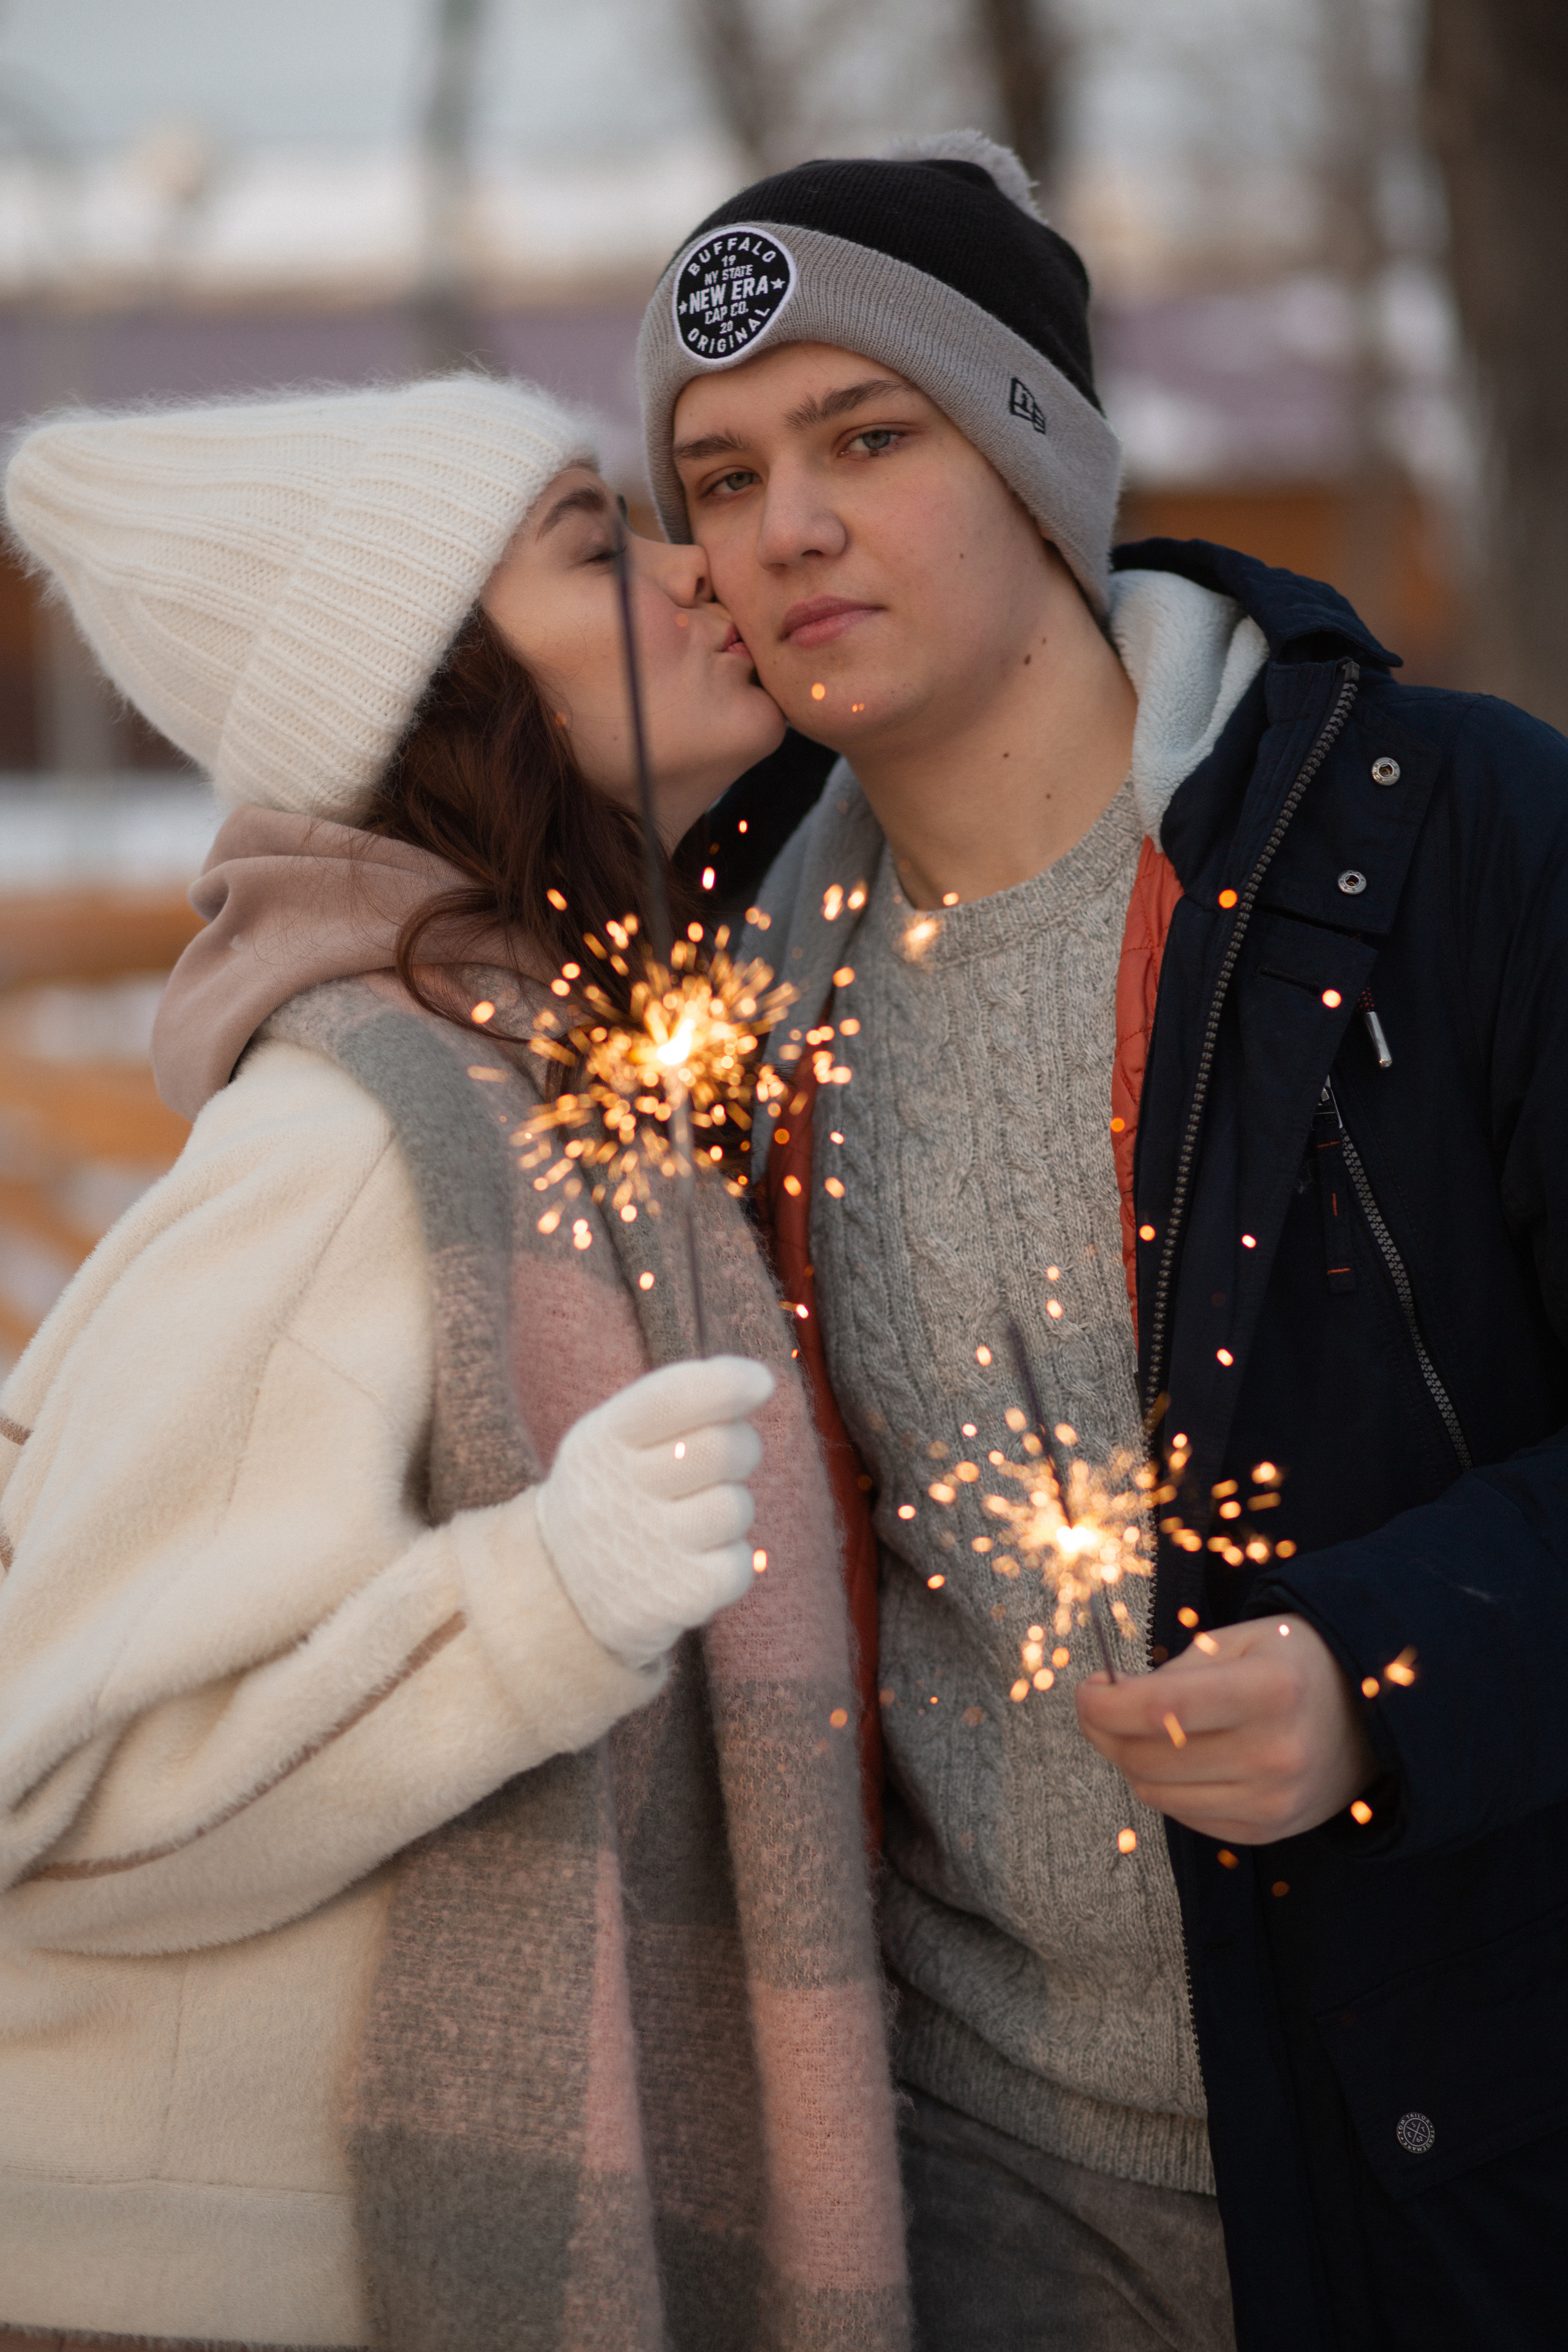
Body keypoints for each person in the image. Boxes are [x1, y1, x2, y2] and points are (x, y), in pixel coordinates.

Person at [635, 132, 1568, 2352]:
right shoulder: (715, 1004)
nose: (793, 527)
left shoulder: (1453, 840)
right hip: (954, 2186)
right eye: (724, 474)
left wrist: (1385, 1675)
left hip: (1444, 2154)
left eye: (870, 434)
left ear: (1043, 457)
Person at [0, 377, 907, 2351]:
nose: (700, 566)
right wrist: (539, 1605)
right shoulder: (352, 1139)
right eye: (600, 544)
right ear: (434, 690)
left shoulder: (573, 1087)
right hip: (198, 2283)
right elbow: (50, 1775)